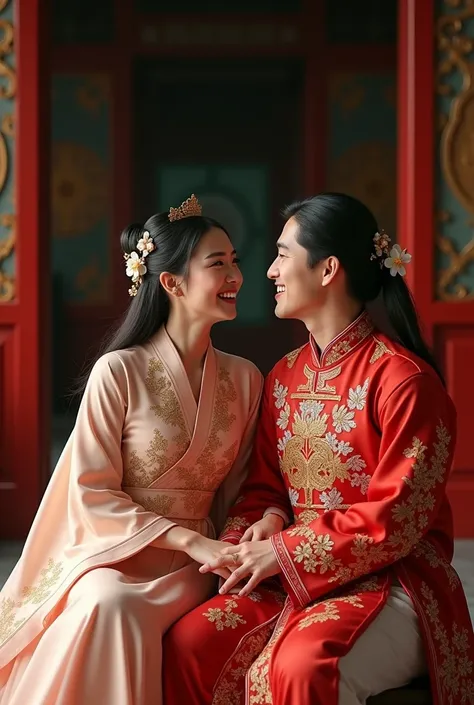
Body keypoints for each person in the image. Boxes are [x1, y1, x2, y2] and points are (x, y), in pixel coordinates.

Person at [162, 193, 474, 705]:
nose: (268, 271)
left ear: (328, 269)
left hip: (394, 582)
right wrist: (263, 521)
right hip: (291, 573)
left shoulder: (405, 382)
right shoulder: (284, 375)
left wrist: (282, 552)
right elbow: (265, 484)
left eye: (283, 254)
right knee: (192, 641)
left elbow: (397, 519)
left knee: (303, 666)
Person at [0, 194, 264, 705]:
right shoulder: (117, 372)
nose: (235, 276)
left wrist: (233, 540)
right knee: (105, 598)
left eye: (235, 262)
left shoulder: (246, 378)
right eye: (217, 264)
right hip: (119, 552)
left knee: (112, 605)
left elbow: (244, 487)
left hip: (201, 564)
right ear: (172, 283)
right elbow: (90, 492)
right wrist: (188, 542)